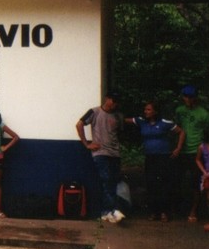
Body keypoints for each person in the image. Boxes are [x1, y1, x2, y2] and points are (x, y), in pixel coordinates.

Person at [124, 101, 185, 222]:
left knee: (163, 184)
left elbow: (181, 132)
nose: (146, 112)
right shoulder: (142, 121)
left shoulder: (164, 123)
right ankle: (153, 211)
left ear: (155, 111)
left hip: (163, 157)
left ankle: (164, 212)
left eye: (149, 110)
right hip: (150, 157)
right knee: (151, 184)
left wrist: (178, 148)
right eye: (145, 109)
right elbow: (124, 120)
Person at [77, 92, 125, 223]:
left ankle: (106, 212)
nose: (114, 105)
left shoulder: (118, 115)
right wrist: (86, 144)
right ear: (107, 99)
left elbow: (119, 132)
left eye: (116, 103)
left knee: (113, 181)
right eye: (113, 101)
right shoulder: (94, 112)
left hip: (115, 153)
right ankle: (113, 209)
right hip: (100, 153)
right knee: (106, 179)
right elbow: (79, 124)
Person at [174, 85, 209, 222]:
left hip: (196, 151)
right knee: (177, 180)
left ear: (195, 98)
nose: (188, 100)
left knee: (196, 182)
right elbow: (177, 128)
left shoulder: (204, 114)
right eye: (186, 96)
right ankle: (179, 208)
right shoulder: (179, 111)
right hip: (182, 151)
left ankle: (194, 210)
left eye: (191, 97)